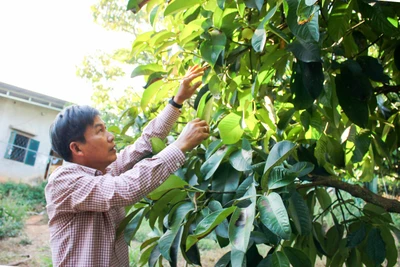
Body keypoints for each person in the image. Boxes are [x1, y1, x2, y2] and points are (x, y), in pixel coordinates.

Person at [45, 65, 209, 267]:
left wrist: (176, 101)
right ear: (77, 149)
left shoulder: (104, 173)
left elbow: (145, 142)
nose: (110, 136)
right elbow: (125, 188)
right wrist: (179, 146)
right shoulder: (64, 181)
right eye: (100, 131)